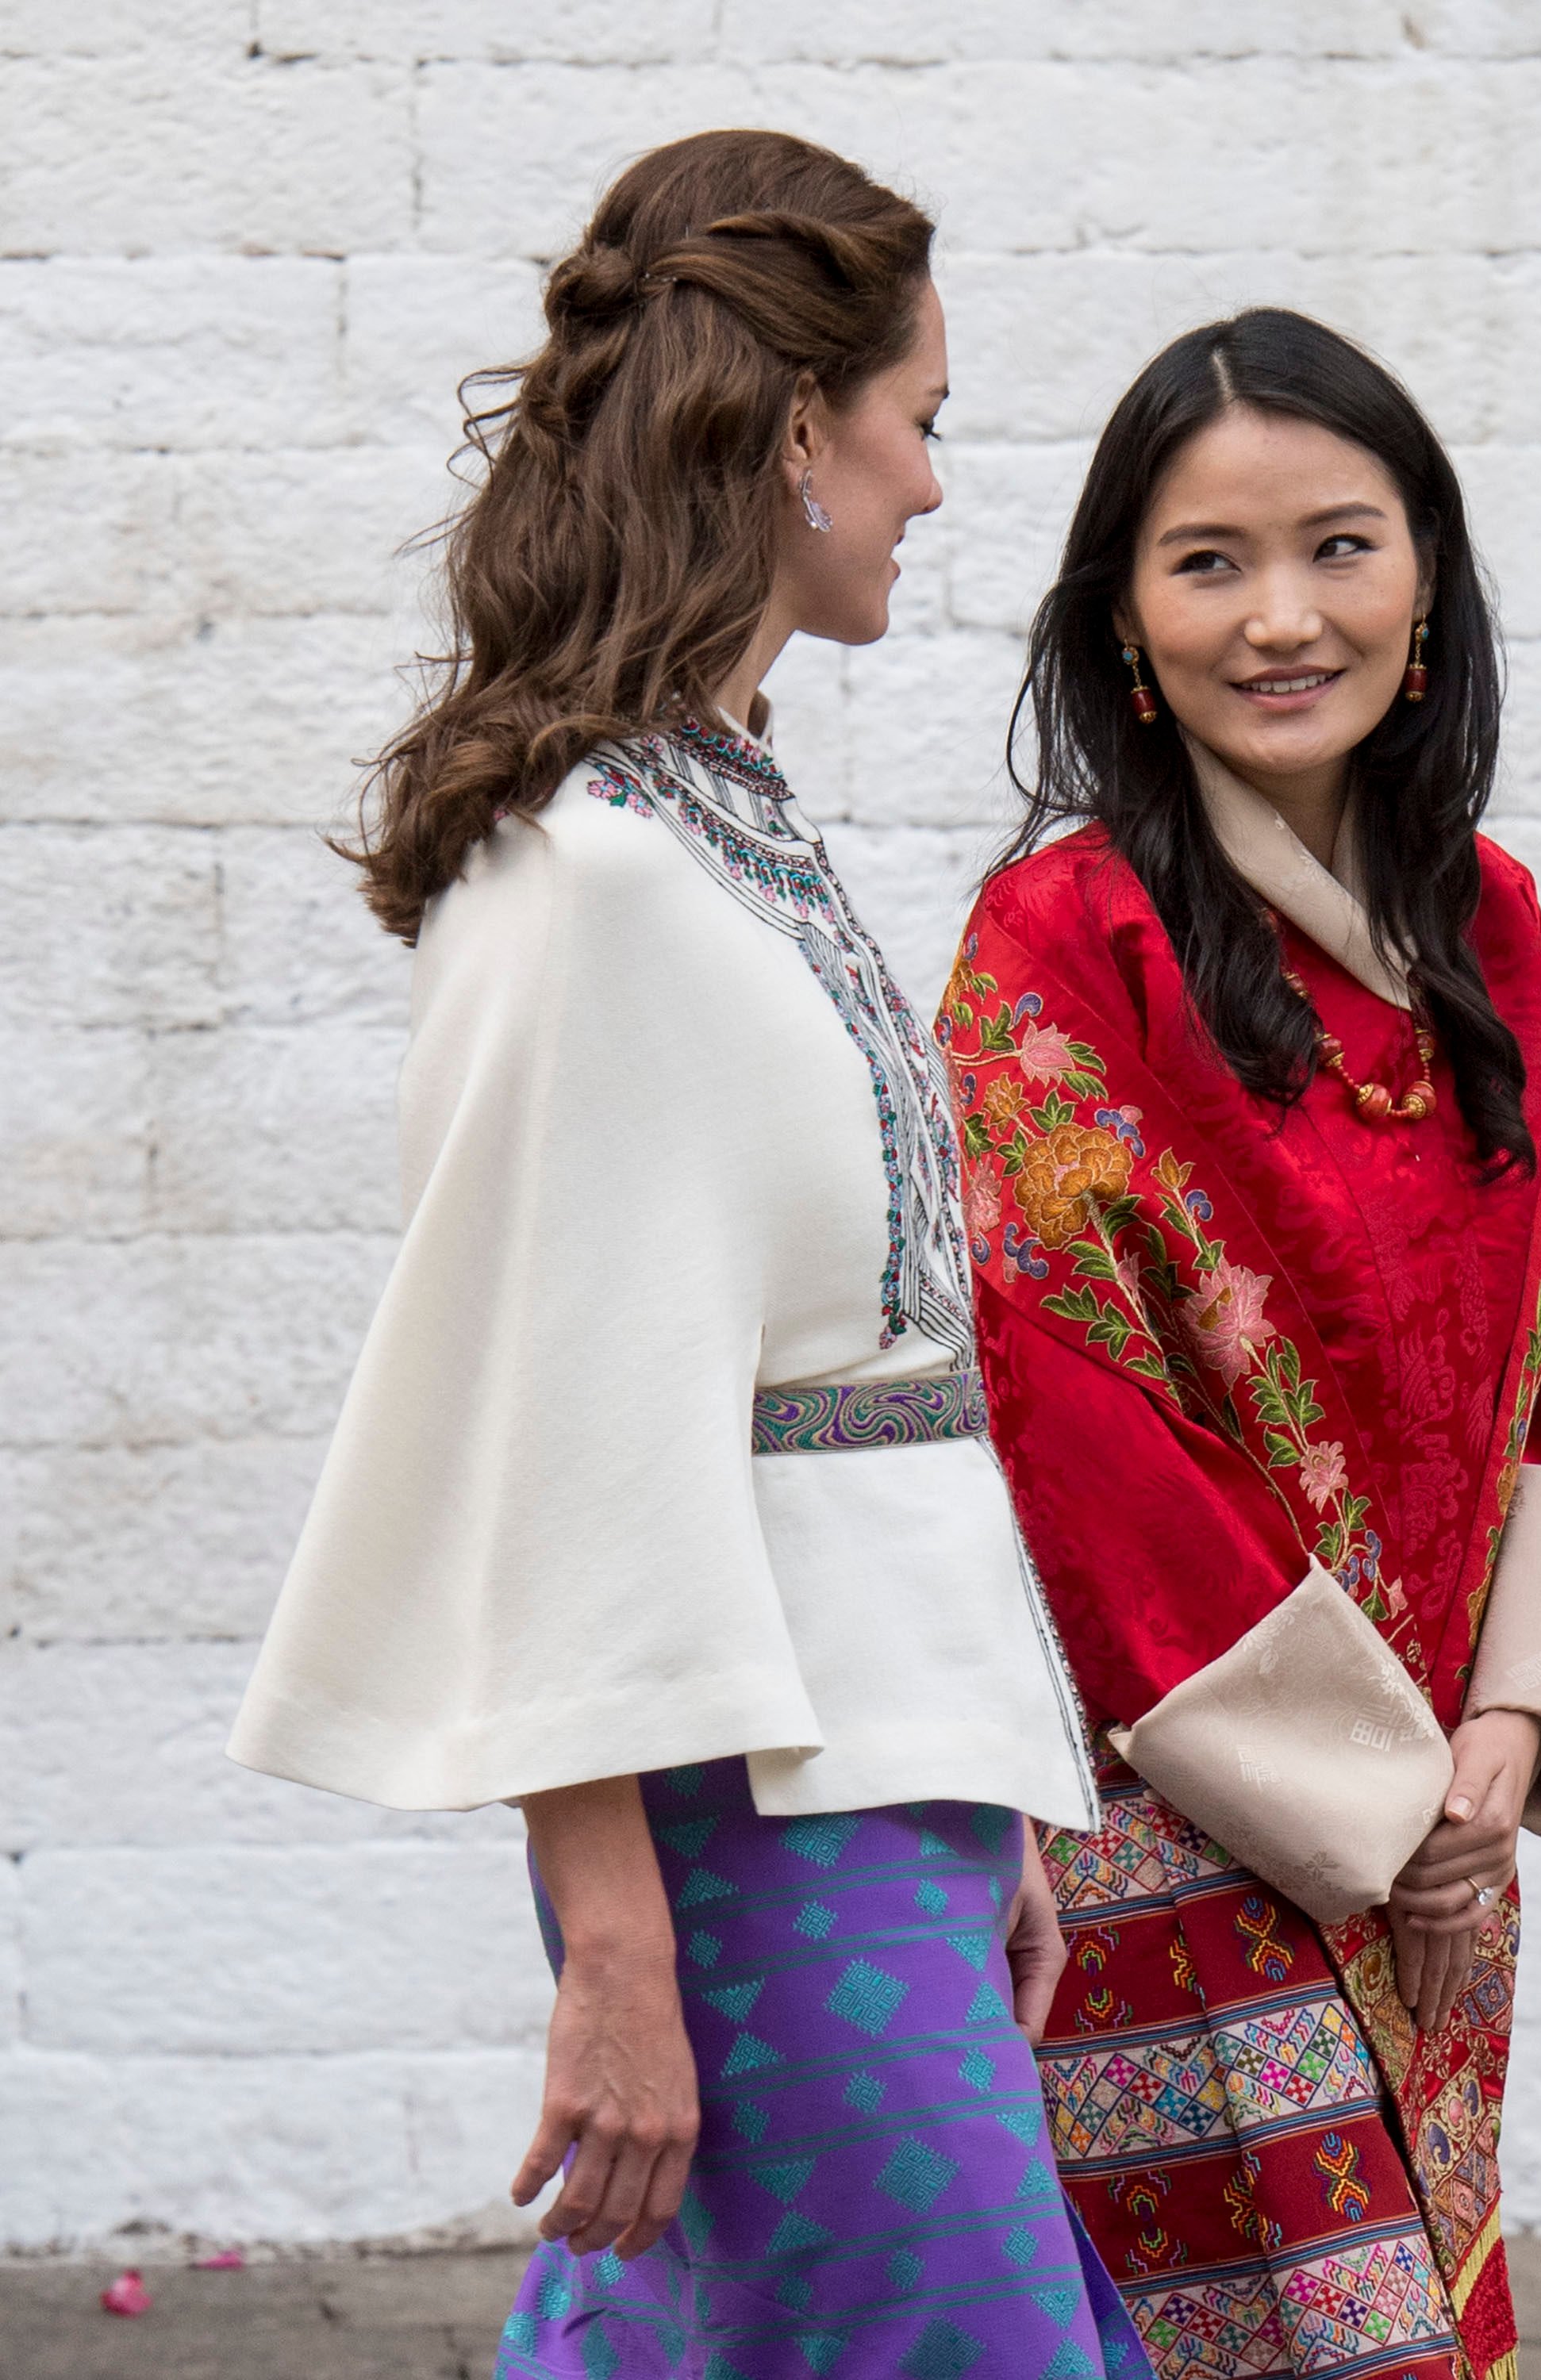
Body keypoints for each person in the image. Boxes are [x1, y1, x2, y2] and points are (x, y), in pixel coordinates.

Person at [229, 129, 1152, 2380]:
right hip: (747, 1833)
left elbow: (860, 1382)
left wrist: (985, 1793)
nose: (936, 489)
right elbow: (565, 1413)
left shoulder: (722, 822)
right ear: (792, 429)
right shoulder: (599, 873)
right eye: (921, 423)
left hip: (877, 1790)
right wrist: (614, 1942)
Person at [938, 309, 1541, 2380]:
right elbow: (1058, 1410)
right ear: (1123, 623)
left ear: (1425, 576)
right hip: (1185, 1808)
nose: (1281, 619)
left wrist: (1511, 1731)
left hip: (1442, 1799)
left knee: (1426, 2306)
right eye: (1208, 562)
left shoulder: (1485, 921)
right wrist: (1378, 1784)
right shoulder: (1062, 947)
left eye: (1339, 545)